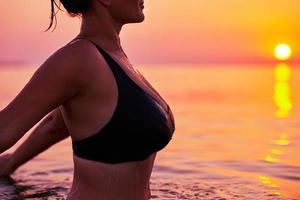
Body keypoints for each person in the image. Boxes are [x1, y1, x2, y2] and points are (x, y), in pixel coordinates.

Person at [0, 0, 175, 199]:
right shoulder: (78, 58)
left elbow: (57, 123)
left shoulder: (115, 57)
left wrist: (11, 162)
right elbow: (4, 129)